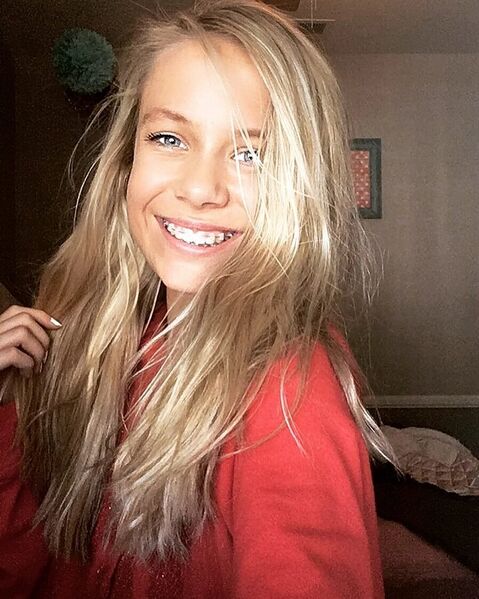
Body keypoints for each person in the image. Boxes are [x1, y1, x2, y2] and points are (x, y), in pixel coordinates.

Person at [0, 1, 395, 597]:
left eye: (250, 154)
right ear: (126, 161)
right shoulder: (108, 338)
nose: (200, 188)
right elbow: (37, 561)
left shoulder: (290, 388)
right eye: (169, 138)